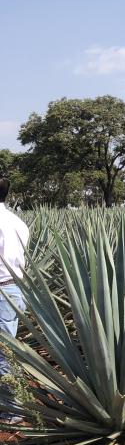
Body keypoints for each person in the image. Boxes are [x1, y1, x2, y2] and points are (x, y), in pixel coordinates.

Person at [0, 178, 29, 425]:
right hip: (14, 291)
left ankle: (12, 411)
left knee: (3, 354)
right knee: (6, 351)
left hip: (1, 291)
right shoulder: (19, 223)